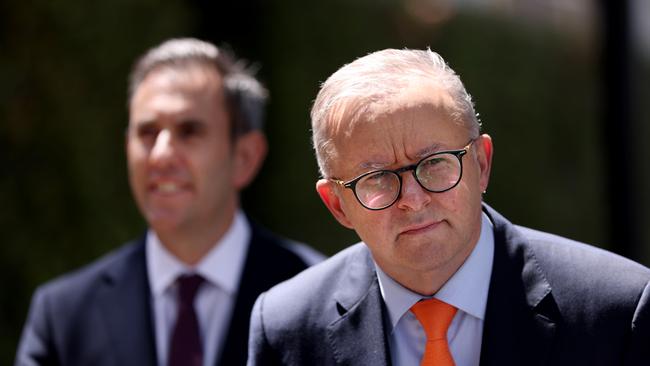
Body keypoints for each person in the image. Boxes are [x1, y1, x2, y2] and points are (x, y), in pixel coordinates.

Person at [247, 48, 650, 366]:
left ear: (481, 164)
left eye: (434, 164)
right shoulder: (288, 326)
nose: (413, 199)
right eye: (377, 178)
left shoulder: (616, 310)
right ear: (337, 205)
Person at [16, 38, 323, 366]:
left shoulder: (320, 299)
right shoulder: (63, 316)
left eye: (189, 131)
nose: (161, 155)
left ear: (245, 158)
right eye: (147, 132)